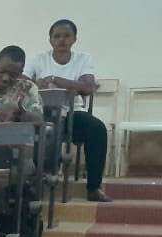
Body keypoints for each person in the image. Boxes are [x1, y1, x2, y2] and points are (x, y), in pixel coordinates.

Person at [26, 19, 111, 202]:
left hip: (74, 113)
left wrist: (55, 80)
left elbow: (88, 87)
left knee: (97, 129)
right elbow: (21, 83)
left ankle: (94, 187)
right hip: (43, 112)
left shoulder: (83, 59)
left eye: (66, 36)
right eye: (57, 36)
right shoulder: (39, 59)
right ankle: (43, 177)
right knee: (43, 123)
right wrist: (36, 83)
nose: (62, 40)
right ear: (50, 40)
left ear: (74, 39)